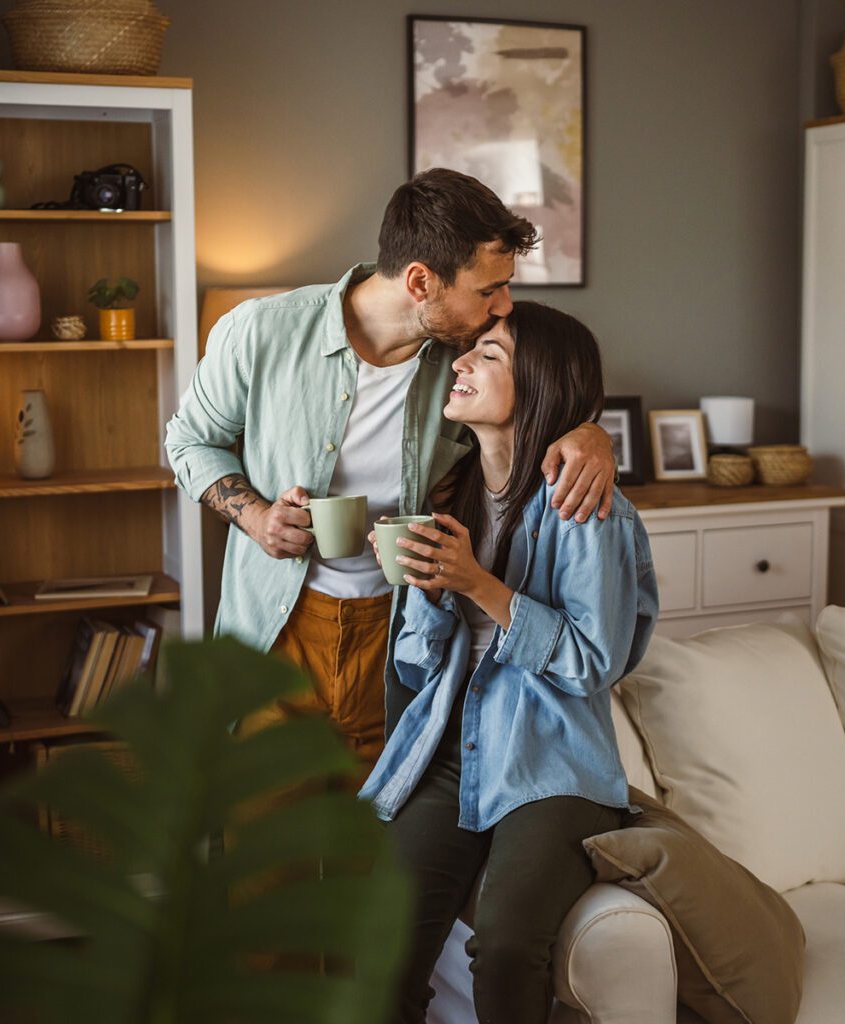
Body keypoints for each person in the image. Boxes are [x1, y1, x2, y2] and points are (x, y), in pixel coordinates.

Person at [165, 168, 618, 771]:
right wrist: (254, 516)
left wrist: (591, 431)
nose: (503, 305)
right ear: (420, 281)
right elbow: (189, 441)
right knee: (268, 851)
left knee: (380, 851)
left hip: (403, 635)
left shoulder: (463, 361)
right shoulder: (260, 331)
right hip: (275, 629)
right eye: (489, 289)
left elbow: (539, 393)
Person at [359, 301, 659, 1023]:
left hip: (551, 762)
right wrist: (424, 590)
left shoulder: (586, 505)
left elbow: (594, 661)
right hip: (454, 749)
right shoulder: (450, 492)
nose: (460, 364)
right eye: (470, 352)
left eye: (488, 356)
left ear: (542, 384)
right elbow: (423, 663)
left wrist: (478, 585)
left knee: (505, 946)